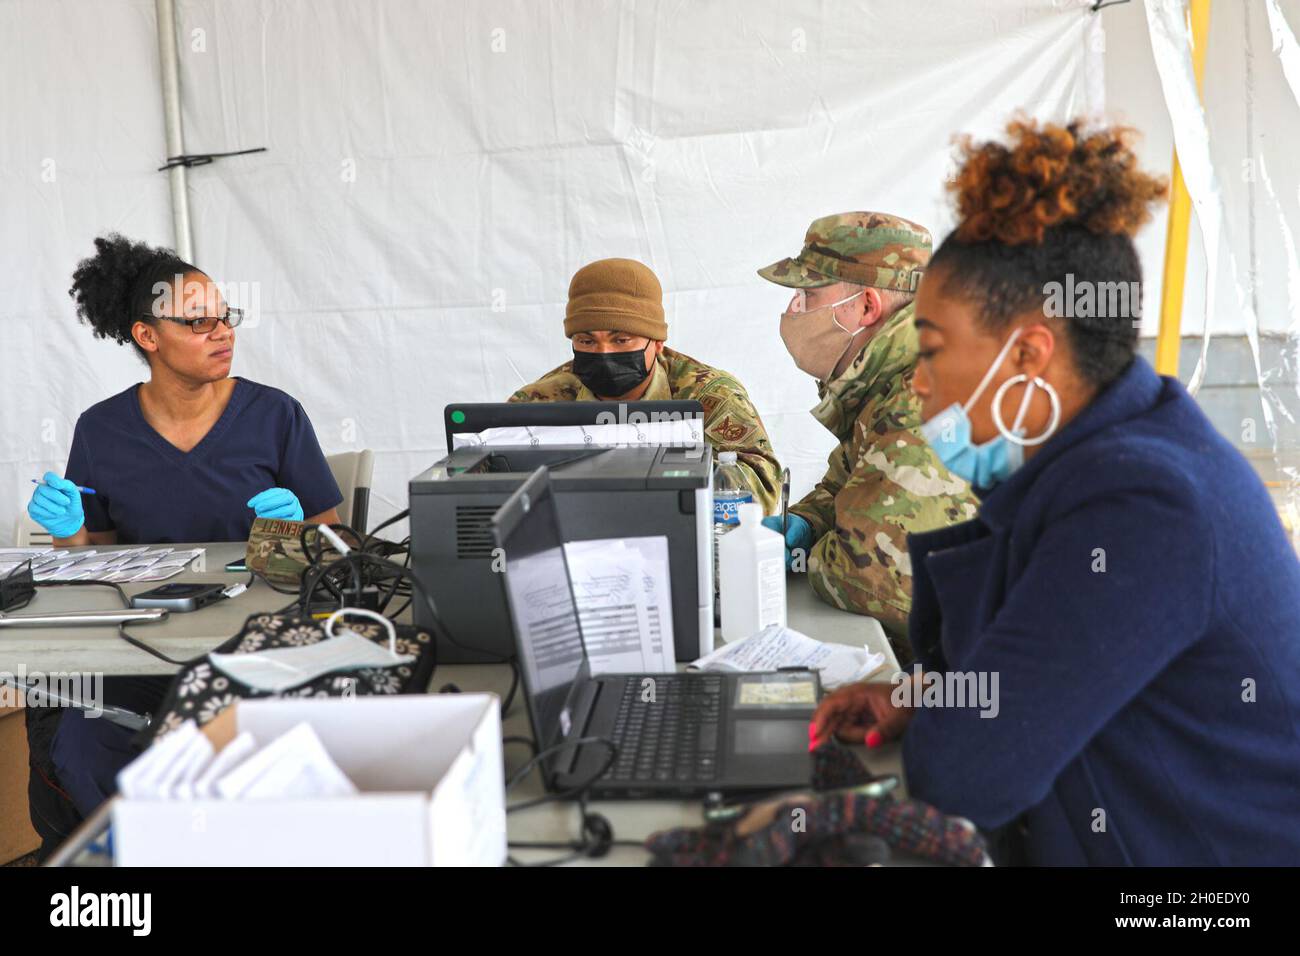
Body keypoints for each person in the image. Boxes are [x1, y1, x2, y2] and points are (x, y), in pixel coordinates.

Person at [811, 119, 1300, 865]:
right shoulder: (1105, 461)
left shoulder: (1146, 504)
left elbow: (965, 776)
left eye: (934, 350)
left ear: (1029, 355)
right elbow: (1022, 671)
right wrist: (918, 697)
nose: (917, 381)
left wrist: (946, 710)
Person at [25, 234, 343, 826]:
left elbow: (336, 549)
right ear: (148, 336)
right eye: (199, 322)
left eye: (226, 316)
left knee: (256, 753)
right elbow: (91, 563)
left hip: (255, 645)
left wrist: (294, 531)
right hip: (139, 653)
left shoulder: (275, 415)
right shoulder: (100, 430)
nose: (222, 332)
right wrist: (67, 535)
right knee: (81, 748)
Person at [757, 213, 977, 653]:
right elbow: (851, 482)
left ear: (866, 307)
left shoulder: (922, 400)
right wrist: (806, 521)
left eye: (808, 294)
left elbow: (872, 581)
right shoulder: (892, 382)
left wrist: (803, 557)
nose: (793, 310)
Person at [509, 257, 782, 511]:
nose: (604, 354)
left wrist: (668, 475)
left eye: (621, 340)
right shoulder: (540, 401)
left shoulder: (707, 394)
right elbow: (494, 483)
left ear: (658, 342)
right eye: (587, 341)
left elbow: (763, 490)